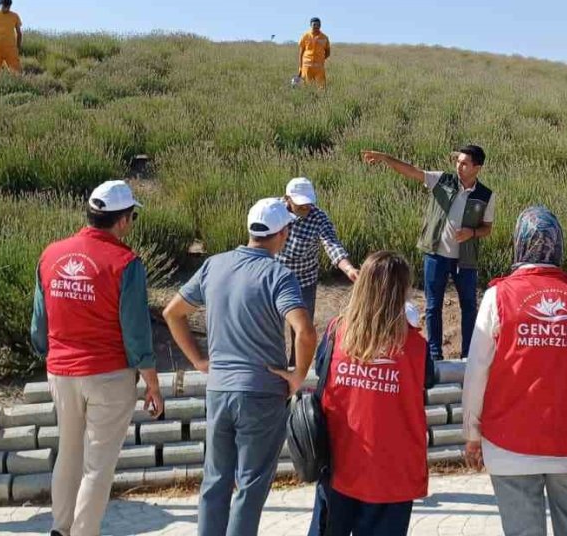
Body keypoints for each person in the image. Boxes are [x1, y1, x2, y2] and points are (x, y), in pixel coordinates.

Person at [461, 206, 567, 536]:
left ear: (518, 243)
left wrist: (472, 434)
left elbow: (476, 372)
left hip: (509, 444)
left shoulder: (498, 297)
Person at [161, 198, 315, 536]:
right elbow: (304, 331)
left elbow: (172, 313)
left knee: (215, 480)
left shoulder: (214, 265)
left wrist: (199, 360)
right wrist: (297, 376)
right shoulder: (279, 275)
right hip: (261, 393)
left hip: (219, 389)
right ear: (282, 233)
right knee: (251, 485)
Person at [30, 180, 165, 536]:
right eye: (132, 217)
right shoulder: (125, 263)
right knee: (98, 465)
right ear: (122, 220)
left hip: (61, 371)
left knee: (68, 454)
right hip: (108, 374)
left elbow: (39, 324)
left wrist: (51, 354)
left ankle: (60, 528)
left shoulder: (51, 254)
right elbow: (136, 332)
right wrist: (152, 383)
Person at [308, 251, 437, 536]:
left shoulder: (336, 332)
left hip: (339, 463)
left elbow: (320, 369)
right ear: (401, 293)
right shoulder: (416, 346)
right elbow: (428, 379)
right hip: (392, 470)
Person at [360, 146, 496, 359]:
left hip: (465, 260)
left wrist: (471, 233)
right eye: (458, 161)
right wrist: (385, 158)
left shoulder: (486, 195)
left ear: (477, 168)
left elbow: (487, 228)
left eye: (464, 163)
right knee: (433, 307)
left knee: (469, 307)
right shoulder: (442, 181)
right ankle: (434, 354)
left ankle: (468, 355)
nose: (458, 166)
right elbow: (412, 171)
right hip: (435, 255)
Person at [275, 177, 360, 325]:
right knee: (273, 324)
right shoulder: (273, 210)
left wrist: (349, 269)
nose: (306, 208)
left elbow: (332, 244)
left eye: (308, 203)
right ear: (287, 199)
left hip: (305, 279)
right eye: (301, 204)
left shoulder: (318, 217)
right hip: (276, 278)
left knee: (303, 326)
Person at [298, 17, 331, 88]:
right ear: (310, 25)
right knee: (307, 87)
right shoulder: (305, 36)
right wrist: (300, 67)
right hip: (307, 66)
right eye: (314, 25)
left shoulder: (324, 37)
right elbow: (301, 53)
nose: (316, 27)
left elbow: (328, 52)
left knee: (321, 88)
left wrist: (321, 59)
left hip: (319, 68)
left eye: (318, 25)